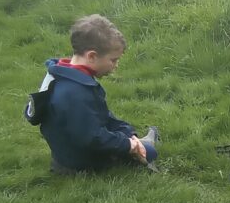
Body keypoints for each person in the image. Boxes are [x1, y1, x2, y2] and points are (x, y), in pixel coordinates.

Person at [32, 14, 159, 174]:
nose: (116, 66)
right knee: (149, 151)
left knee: (128, 138)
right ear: (92, 56)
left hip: (66, 150)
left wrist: (127, 133)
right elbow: (92, 138)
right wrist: (129, 145)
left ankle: (137, 140)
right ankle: (143, 146)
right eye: (113, 60)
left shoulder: (60, 74)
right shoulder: (75, 93)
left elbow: (100, 116)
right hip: (80, 161)